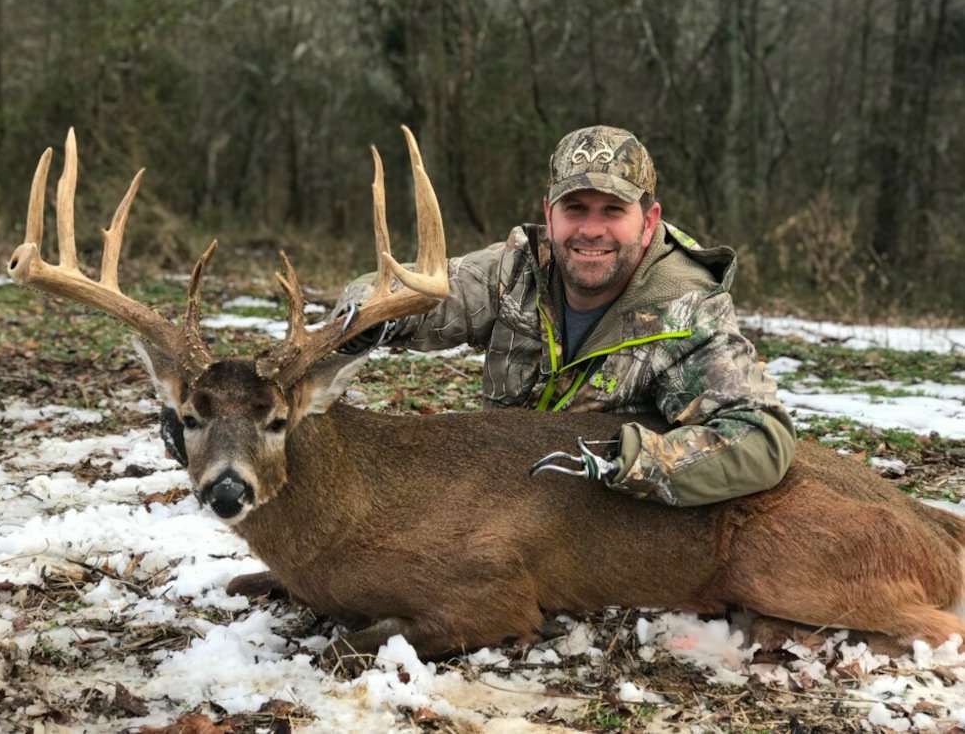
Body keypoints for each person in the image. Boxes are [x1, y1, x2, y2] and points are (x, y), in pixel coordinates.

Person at [161, 125, 794, 507]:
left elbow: (762, 438)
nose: (592, 231)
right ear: (549, 215)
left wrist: (626, 463)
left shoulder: (688, 311)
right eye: (577, 209)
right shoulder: (514, 270)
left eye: (613, 211)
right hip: (502, 492)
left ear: (649, 221)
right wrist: (357, 325)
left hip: (611, 512)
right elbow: (391, 291)